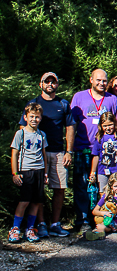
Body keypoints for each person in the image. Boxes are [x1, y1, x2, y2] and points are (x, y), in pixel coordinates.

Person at [18, 72, 75, 238]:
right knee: (38, 190)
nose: (50, 84)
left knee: (59, 188)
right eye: (46, 81)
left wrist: (69, 151)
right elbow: (23, 128)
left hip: (58, 152)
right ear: (40, 84)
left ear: (57, 85)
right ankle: (41, 224)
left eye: (53, 81)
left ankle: (55, 224)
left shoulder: (63, 104)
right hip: (36, 155)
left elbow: (70, 127)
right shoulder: (33, 104)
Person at [70, 68, 117, 230]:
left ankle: (103, 219)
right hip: (83, 149)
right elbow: (71, 125)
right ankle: (83, 219)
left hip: (106, 153)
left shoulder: (112, 99)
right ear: (91, 80)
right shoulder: (79, 97)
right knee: (82, 185)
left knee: (103, 187)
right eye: (98, 80)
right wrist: (69, 149)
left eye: (104, 81)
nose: (101, 83)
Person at [9, 103, 48, 243]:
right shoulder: (21, 133)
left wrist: (46, 173)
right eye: (31, 116)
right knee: (24, 201)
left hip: (39, 171)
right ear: (25, 117)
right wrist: (15, 173)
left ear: (40, 118)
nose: (34, 119)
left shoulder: (42, 135)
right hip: (26, 170)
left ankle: (30, 229)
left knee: (36, 202)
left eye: (37, 117)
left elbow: (44, 155)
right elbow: (14, 154)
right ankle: (15, 229)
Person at [89, 112, 117, 192]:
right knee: (103, 193)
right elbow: (95, 156)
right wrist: (93, 172)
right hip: (102, 171)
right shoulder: (99, 139)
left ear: (115, 124)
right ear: (101, 126)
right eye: (105, 126)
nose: (108, 128)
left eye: (110, 125)